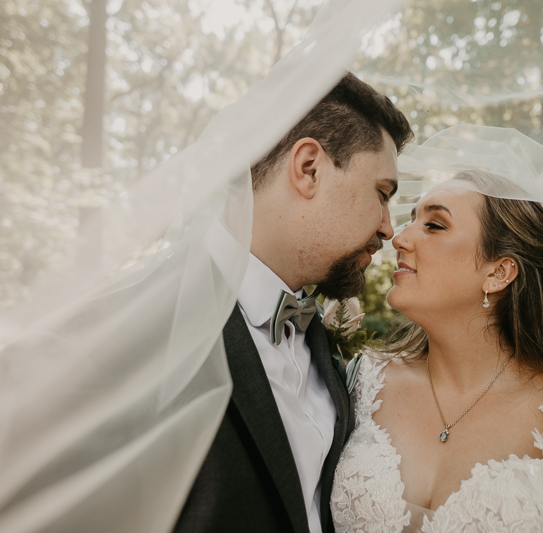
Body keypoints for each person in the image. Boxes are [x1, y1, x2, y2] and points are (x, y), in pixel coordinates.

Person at [331, 170, 543, 532]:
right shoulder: (362, 380)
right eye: (413, 220)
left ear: (499, 273)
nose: (399, 238)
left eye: (435, 225)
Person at [174, 72, 412, 532]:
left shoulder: (323, 345)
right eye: (382, 195)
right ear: (308, 168)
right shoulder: (154, 324)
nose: (388, 228)